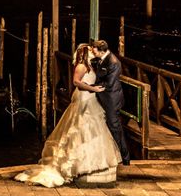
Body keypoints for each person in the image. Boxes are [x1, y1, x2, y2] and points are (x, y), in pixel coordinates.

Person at [14, 44, 121, 187]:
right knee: (80, 125)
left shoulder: (90, 66)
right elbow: (76, 82)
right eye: (90, 50)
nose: (92, 52)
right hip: (84, 97)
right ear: (84, 53)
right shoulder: (81, 66)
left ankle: (93, 163)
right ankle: (75, 164)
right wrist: (92, 88)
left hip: (90, 98)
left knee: (94, 126)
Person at [91, 39, 131, 165]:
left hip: (111, 99)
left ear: (101, 51)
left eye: (94, 50)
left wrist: (90, 87)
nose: (93, 51)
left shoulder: (114, 62)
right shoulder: (101, 59)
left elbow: (109, 83)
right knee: (110, 126)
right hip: (103, 97)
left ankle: (124, 158)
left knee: (115, 127)